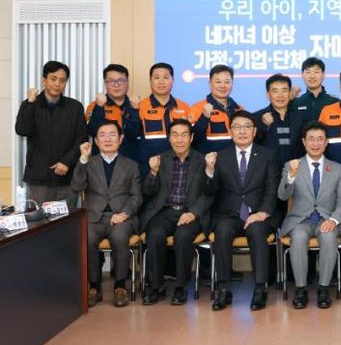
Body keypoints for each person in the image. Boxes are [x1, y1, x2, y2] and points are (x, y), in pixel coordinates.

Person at [204, 111, 280, 311]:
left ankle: (260, 289)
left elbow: (272, 188)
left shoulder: (267, 155)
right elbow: (210, 191)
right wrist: (209, 171)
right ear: (231, 131)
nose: (242, 131)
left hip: (259, 214)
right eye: (237, 127)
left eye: (247, 127)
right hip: (230, 214)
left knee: (257, 231)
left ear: (255, 131)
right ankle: (223, 289)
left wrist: (263, 212)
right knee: (222, 231)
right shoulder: (221, 156)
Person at [278, 121, 341, 309]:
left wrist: (333, 220)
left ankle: (324, 289)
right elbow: (282, 195)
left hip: (327, 219)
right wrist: (291, 176)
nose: (315, 143)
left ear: (326, 142)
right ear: (304, 142)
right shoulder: (292, 165)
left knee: (328, 237)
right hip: (300, 220)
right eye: (311, 139)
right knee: (299, 237)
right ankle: (300, 289)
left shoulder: (337, 168)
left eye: (320, 139)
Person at [141, 119, 213, 306]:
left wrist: (193, 213)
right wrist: (153, 173)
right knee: (155, 234)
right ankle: (157, 287)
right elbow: (147, 191)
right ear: (169, 138)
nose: (179, 140)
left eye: (184, 135)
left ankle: (180, 287)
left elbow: (209, 193)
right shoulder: (160, 159)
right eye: (175, 135)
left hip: (190, 213)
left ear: (191, 137)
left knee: (183, 236)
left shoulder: (202, 161)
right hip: (164, 212)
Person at [71, 120, 142, 308]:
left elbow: (136, 196)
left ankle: (120, 286)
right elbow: (76, 186)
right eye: (102, 135)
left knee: (119, 237)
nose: (108, 139)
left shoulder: (131, 165)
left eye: (112, 135)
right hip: (94, 217)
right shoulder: (88, 163)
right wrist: (83, 159)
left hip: (122, 217)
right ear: (95, 141)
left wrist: (125, 213)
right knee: (86, 238)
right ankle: (94, 287)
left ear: (121, 139)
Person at [15, 60, 88, 206]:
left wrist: (67, 162)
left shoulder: (75, 107)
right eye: (53, 79)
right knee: (39, 219)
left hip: (67, 178)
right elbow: (22, 130)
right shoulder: (30, 104)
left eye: (62, 80)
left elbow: (82, 138)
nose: (57, 84)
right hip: (39, 179)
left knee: (69, 219)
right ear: (44, 80)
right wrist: (30, 103)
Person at [137, 63, 192, 176]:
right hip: (149, 169)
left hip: (179, 169)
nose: (161, 82)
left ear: (173, 80)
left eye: (166, 77)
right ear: (150, 81)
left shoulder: (185, 108)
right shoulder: (140, 107)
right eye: (157, 77)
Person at [85, 63, 141, 161]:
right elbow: (92, 131)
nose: (116, 85)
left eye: (121, 80)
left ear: (127, 82)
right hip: (101, 163)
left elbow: (135, 134)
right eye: (111, 81)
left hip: (130, 162)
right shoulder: (95, 105)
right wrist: (99, 107)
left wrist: (134, 110)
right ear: (105, 83)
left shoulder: (136, 104)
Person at [189, 64, 243, 154]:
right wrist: (204, 118)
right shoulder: (197, 108)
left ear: (232, 84)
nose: (223, 86)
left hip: (234, 161)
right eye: (218, 82)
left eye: (227, 82)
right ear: (210, 83)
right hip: (207, 161)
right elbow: (192, 139)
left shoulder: (239, 110)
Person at [253, 73, 305, 165]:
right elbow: (249, 146)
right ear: (268, 94)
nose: (280, 95)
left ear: (290, 93)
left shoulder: (301, 118)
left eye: (284, 90)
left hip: (296, 171)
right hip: (267, 171)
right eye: (275, 91)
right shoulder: (256, 117)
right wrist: (263, 126)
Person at [290, 57, 339, 125]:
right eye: (308, 72)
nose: (312, 76)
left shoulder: (334, 102)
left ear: (323, 75)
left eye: (316, 72)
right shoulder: (296, 102)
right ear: (302, 75)